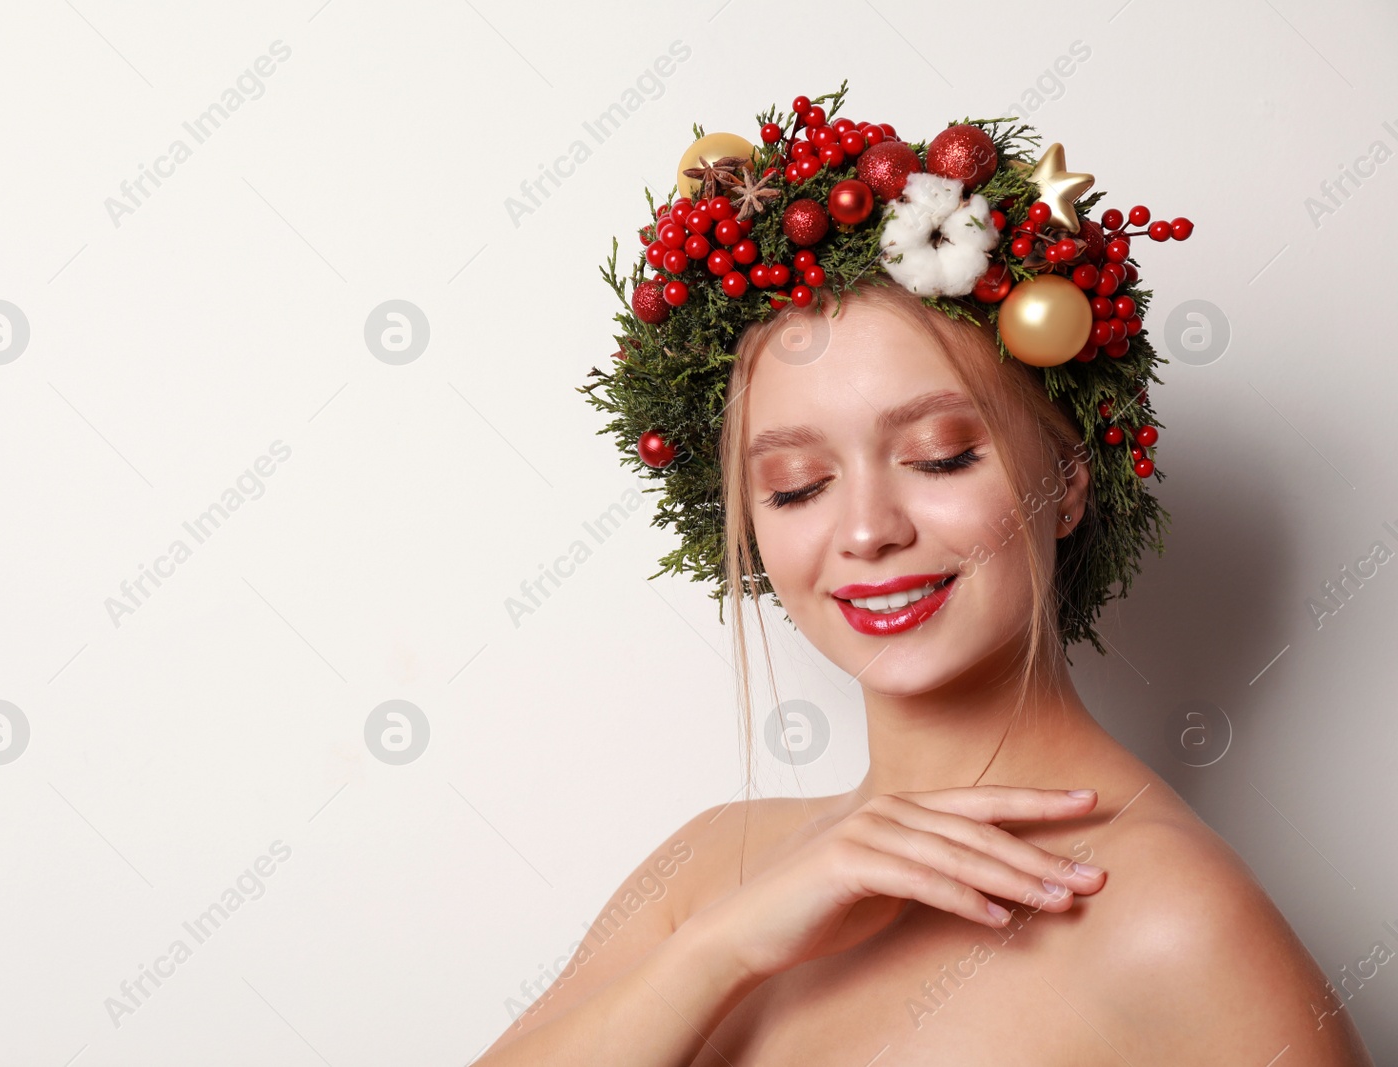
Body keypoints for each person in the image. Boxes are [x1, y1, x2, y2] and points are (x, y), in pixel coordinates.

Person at [477, 89, 1376, 1065]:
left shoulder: (1172, 920)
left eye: (942, 457)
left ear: (1068, 481)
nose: (866, 530)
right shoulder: (709, 873)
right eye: (796, 484)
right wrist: (724, 947)